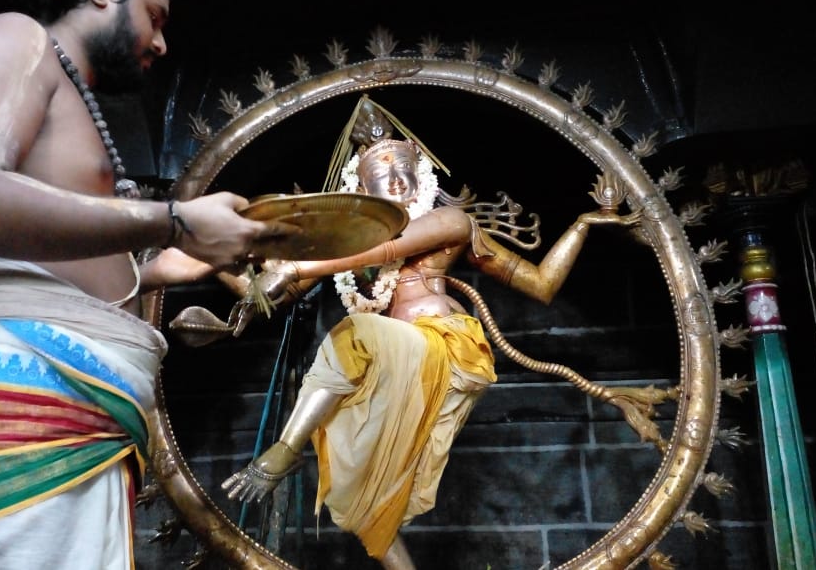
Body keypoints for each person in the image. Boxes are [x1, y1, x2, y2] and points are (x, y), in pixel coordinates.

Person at [0, 0, 297, 568]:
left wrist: (158, 269)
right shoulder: (16, 37)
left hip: (64, 427)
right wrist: (176, 221)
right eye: (154, 17)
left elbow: (51, 262)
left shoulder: (70, 91)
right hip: (0, 427)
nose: (161, 43)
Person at [213, 96, 641, 569]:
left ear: (422, 172)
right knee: (359, 502)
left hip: (445, 347)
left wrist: (583, 225)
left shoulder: (448, 222)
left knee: (350, 333)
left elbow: (538, 284)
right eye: (382, 173)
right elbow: (268, 297)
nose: (396, 179)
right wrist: (212, 256)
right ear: (362, 186)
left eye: (404, 167)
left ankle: (284, 450)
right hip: (394, 367)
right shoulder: (347, 250)